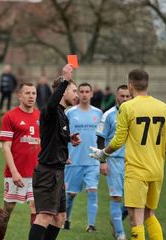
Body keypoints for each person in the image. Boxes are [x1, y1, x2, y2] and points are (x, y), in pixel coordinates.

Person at [89, 69, 166, 240]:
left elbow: (118, 140)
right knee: (149, 213)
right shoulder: (163, 107)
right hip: (157, 169)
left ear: (130, 85)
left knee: (136, 216)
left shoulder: (127, 107)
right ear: (147, 84)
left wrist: (103, 154)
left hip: (136, 170)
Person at [28, 64, 80, 240]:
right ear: (63, 91)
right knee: (45, 216)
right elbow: (50, 104)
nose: (77, 95)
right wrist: (65, 79)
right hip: (47, 173)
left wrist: (68, 139)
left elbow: (52, 137)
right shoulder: (50, 111)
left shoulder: (62, 114)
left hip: (58, 172)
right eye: (74, 91)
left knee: (60, 218)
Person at [0, 82, 41, 240]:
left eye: (33, 93)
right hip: (15, 173)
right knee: (7, 209)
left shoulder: (40, 116)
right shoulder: (10, 116)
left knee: (36, 208)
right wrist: (14, 172)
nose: (31, 96)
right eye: (27, 93)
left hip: (36, 173)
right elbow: (5, 147)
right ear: (19, 96)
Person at [63, 82, 102, 232]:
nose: (84, 94)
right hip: (74, 161)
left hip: (92, 161)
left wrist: (102, 158)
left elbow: (101, 138)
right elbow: (63, 135)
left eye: (87, 91)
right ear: (78, 94)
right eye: (82, 91)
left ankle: (91, 225)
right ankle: (66, 219)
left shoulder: (98, 113)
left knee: (92, 191)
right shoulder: (70, 113)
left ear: (91, 94)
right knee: (71, 194)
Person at [96, 85, 131, 240]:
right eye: (121, 96)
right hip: (114, 160)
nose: (124, 99)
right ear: (116, 96)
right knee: (116, 196)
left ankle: (116, 219)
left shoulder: (135, 114)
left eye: (127, 96)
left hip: (133, 161)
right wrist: (102, 161)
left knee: (132, 199)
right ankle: (119, 233)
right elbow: (100, 138)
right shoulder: (109, 115)